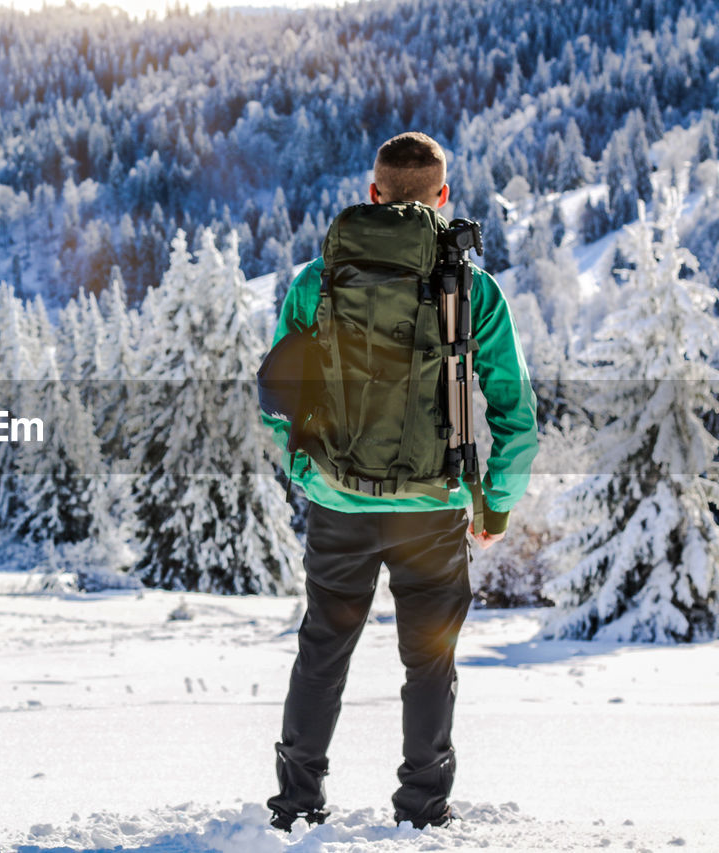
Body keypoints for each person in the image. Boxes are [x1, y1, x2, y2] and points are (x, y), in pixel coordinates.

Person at [262, 132, 539, 831]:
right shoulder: (473, 290)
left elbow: (277, 394)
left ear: (373, 192)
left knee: (323, 648)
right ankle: (422, 806)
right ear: (442, 198)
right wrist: (495, 504)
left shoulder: (316, 279)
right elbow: (515, 413)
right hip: (435, 506)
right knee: (429, 662)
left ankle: (296, 803)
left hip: (336, 502)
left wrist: (306, 469)